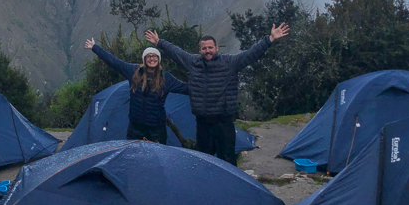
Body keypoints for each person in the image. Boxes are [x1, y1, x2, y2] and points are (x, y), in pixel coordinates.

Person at [144, 25, 289, 165]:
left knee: (227, 159)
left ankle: (230, 189)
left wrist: (269, 39)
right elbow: (176, 52)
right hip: (202, 123)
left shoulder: (230, 63)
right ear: (199, 50)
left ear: (217, 48)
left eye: (210, 47)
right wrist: (159, 42)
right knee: (203, 159)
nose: (208, 51)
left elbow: (251, 54)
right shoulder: (192, 62)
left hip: (224, 122)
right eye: (204, 48)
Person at [84, 37, 189, 144]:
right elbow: (114, 62)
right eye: (148, 56)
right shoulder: (134, 71)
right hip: (135, 127)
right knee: (134, 156)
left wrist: (203, 84)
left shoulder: (166, 78)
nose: (151, 58)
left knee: (155, 157)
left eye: (154, 56)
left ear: (159, 59)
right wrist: (95, 48)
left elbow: (186, 89)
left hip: (156, 129)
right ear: (144, 59)